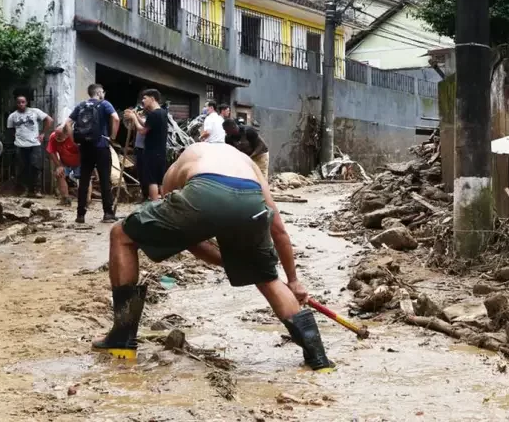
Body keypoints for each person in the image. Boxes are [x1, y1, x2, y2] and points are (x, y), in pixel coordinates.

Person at [92, 143, 333, 371]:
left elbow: (187, 238)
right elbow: (278, 228)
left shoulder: (183, 162)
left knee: (121, 235)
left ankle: (122, 340)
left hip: (203, 190)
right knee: (268, 278)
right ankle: (318, 358)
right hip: (250, 199)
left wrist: (228, 262)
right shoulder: (246, 163)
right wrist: (292, 280)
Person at [66, 84, 120, 224]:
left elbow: (68, 124)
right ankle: (108, 213)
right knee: (104, 180)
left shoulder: (81, 105)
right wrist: (112, 137)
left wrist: (75, 142)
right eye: (103, 92)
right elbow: (116, 118)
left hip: (85, 147)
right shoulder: (105, 104)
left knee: (84, 180)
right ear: (99, 92)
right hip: (101, 146)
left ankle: (80, 215)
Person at [123, 89, 168, 201]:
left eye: (145, 98)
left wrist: (133, 118)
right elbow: (147, 125)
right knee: (160, 180)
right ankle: (164, 203)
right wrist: (137, 117)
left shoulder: (153, 114)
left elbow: (142, 131)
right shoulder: (162, 113)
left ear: (152, 99)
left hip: (151, 152)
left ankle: (154, 205)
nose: (143, 101)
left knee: (152, 180)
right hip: (161, 151)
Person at [6, 95, 53, 198]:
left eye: (23, 102)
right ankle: (24, 190)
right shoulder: (12, 116)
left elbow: (49, 120)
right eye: (19, 102)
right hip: (20, 145)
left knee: (36, 167)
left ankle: (37, 190)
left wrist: (43, 133)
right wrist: (17, 137)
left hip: (34, 144)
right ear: (16, 103)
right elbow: (10, 129)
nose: (21, 104)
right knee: (22, 168)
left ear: (26, 102)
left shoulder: (34, 112)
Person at [46, 126, 84, 206]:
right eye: (57, 135)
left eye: (60, 136)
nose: (58, 137)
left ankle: (85, 201)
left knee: (84, 178)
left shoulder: (75, 137)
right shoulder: (53, 137)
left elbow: (85, 151)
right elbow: (51, 152)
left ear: (67, 134)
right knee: (60, 175)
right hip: (64, 161)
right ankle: (65, 199)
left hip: (80, 161)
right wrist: (58, 166)